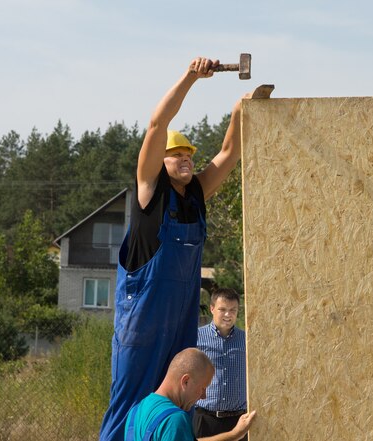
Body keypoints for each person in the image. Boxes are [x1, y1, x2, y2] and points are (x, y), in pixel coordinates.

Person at [100, 56, 244, 441]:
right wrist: (191, 77)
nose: (185, 159)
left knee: (180, 405)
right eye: (176, 154)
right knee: (131, 403)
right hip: (142, 319)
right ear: (159, 161)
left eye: (189, 156)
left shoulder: (196, 192)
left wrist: (241, 110)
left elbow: (230, 153)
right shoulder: (150, 190)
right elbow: (156, 125)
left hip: (179, 317)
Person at [125, 347, 256, 441]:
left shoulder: (137, 411)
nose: (203, 396)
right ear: (186, 381)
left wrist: (234, 434)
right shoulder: (175, 420)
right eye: (203, 388)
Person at [193, 288, 247, 439]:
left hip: (238, 421)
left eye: (233, 310)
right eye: (222, 309)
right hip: (205, 420)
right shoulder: (196, 338)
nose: (228, 315)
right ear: (212, 309)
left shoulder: (246, 340)